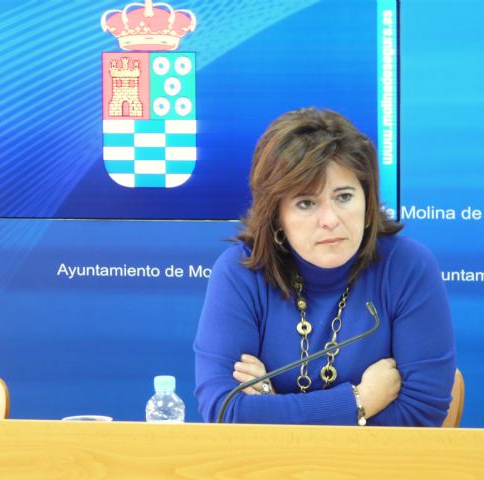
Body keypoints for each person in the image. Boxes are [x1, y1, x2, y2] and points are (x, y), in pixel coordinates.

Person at [194, 108, 455, 426]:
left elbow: (420, 413)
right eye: (306, 203)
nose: (330, 220)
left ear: (368, 202)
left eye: (343, 197)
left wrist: (274, 408)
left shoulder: (407, 268)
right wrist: (360, 401)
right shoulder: (242, 272)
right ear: (276, 215)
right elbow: (225, 411)